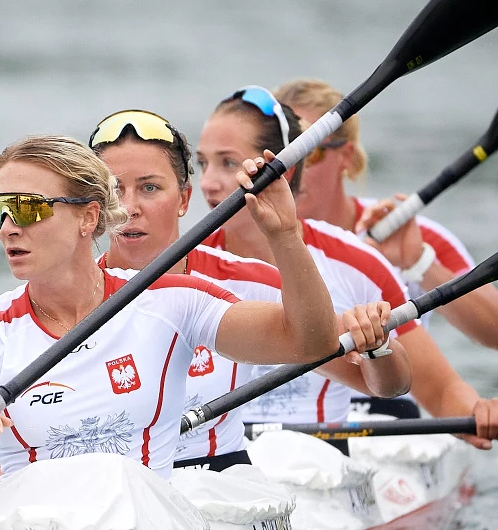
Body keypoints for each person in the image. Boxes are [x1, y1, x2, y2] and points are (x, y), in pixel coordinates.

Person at [0, 135, 366, 482]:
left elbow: (312, 343)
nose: (9, 227)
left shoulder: (169, 302)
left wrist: (285, 236)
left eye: (29, 208)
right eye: (0, 210)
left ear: (88, 218)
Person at [196, 86, 498, 448]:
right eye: (201, 164)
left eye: (227, 162)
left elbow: (436, 385)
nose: (207, 184)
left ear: (280, 169)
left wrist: (473, 414)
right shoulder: (183, 267)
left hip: (331, 456)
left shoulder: (360, 261)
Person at [88, 109, 411, 470]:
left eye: (150, 188)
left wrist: (377, 346)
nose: (130, 208)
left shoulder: (249, 282)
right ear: (95, 206)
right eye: (115, 190)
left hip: (219, 491)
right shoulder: (61, 300)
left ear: (183, 199)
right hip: (121, 496)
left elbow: (388, 387)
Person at [276, 78, 498, 352]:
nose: (292, 168)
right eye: (282, 152)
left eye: (309, 151)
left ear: (345, 156)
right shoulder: (243, 237)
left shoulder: (406, 234)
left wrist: (418, 264)